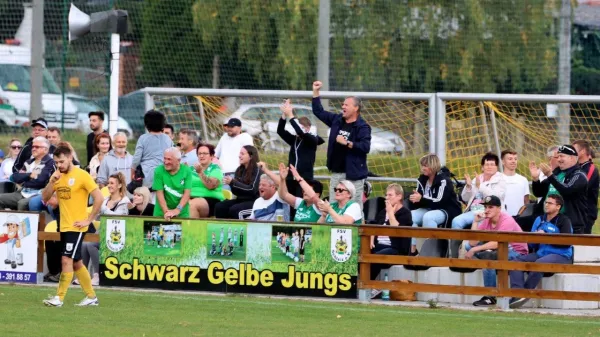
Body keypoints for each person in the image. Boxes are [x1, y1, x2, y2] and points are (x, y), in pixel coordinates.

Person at [41, 143, 103, 307]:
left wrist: (88, 220)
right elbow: (45, 198)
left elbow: (99, 197)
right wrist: (51, 182)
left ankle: (59, 298)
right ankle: (91, 297)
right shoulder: (57, 176)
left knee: (66, 259)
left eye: (61, 162)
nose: (59, 165)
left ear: (69, 158)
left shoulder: (82, 175)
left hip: (77, 226)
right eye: (56, 162)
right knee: (76, 262)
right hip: (64, 225)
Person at [312, 81, 371, 208]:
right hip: (337, 173)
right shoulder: (337, 120)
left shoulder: (362, 126)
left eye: (346, 105)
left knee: (354, 207)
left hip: (353, 175)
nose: (343, 106)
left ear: (356, 108)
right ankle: (334, 227)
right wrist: (316, 91)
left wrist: (347, 143)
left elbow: (365, 147)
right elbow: (318, 111)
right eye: (343, 104)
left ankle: (358, 228)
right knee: (334, 205)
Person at [509, 194, 573, 309]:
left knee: (539, 263)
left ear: (558, 207)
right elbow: (532, 244)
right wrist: (534, 238)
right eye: (546, 202)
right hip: (541, 253)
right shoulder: (539, 219)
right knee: (515, 261)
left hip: (561, 255)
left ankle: (525, 293)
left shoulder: (564, 220)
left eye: (550, 203)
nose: (546, 205)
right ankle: (517, 293)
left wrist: (546, 237)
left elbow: (566, 243)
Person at [467, 195, 528, 307]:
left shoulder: (507, 220)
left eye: (491, 207)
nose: (487, 210)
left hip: (516, 252)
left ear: (499, 208)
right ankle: (488, 257)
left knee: (487, 257)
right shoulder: (487, 220)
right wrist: (475, 222)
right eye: (485, 207)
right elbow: (472, 243)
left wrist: (476, 249)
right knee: (468, 247)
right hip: (499, 250)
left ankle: (490, 296)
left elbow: (498, 242)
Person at [77, 172, 130, 287]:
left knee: (91, 245)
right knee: (85, 243)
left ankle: (97, 274)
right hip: (102, 230)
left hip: (115, 235)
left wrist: (103, 208)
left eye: (112, 183)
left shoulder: (124, 202)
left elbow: (117, 217)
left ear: (119, 185)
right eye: (108, 183)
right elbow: (94, 212)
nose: (109, 185)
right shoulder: (105, 200)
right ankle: (83, 275)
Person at [408, 154, 462, 255]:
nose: (423, 168)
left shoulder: (444, 181)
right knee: (411, 215)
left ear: (433, 166)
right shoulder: (421, 180)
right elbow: (421, 199)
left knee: (429, 217)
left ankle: (433, 250)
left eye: (425, 166)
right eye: (422, 165)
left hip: (446, 209)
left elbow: (439, 201)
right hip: (429, 207)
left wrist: (421, 199)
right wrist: (415, 200)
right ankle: (412, 250)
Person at [531, 145, 588, 234]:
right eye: (558, 156)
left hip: (571, 224)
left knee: (565, 246)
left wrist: (550, 175)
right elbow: (539, 192)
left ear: (572, 158)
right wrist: (535, 179)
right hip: (550, 221)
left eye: (562, 156)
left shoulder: (579, 175)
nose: (558, 159)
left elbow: (567, 190)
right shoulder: (557, 173)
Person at [369, 184, 412, 299]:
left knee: (375, 257)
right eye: (386, 195)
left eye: (390, 195)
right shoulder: (383, 212)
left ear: (399, 196)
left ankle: (369, 286)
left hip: (396, 248)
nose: (387, 198)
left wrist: (391, 214)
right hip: (379, 245)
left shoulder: (405, 213)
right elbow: (374, 225)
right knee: (360, 253)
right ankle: (361, 285)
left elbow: (398, 231)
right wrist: (371, 237)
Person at [277, 99, 324, 197]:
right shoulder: (294, 139)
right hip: (290, 178)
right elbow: (280, 131)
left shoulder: (312, 140)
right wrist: (284, 114)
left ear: (308, 128)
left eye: (302, 127)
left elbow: (301, 132)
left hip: (304, 178)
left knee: (299, 203)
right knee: (289, 204)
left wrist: (291, 115)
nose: (298, 131)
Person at [452, 152, 506, 230]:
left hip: (490, 212)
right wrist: (468, 187)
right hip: (475, 210)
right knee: (456, 221)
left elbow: (496, 197)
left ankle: (470, 242)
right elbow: (465, 198)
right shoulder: (477, 179)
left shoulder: (501, 179)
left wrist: (480, 186)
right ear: (482, 167)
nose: (489, 167)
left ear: (496, 167)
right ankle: (459, 242)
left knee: (479, 226)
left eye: (492, 164)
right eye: (487, 165)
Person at [0, 137, 55, 210]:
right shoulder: (29, 162)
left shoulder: (50, 163)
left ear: (45, 149)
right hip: (23, 192)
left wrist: (24, 180)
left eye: (37, 147)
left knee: (22, 203)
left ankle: (21, 222)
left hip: (38, 194)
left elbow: (40, 181)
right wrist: (29, 175)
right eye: (33, 146)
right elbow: (14, 177)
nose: (33, 149)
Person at [214, 145, 261, 219]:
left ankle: (239, 230)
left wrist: (233, 183)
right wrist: (231, 184)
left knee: (235, 210)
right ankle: (223, 229)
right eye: (240, 153)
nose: (239, 156)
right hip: (241, 200)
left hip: (254, 201)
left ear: (251, 156)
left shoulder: (257, 170)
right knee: (219, 206)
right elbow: (236, 192)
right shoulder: (239, 170)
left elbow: (252, 189)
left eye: (242, 154)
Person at [132, 110, 174, 189]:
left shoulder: (143, 138)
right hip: (164, 174)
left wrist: (132, 172)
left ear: (147, 124)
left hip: (146, 176)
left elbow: (136, 159)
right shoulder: (167, 139)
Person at [152, 147, 192, 220]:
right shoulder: (158, 171)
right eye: (165, 158)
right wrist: (167, 213)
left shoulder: (187, 171)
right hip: (161, 214)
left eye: (169, 159)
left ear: (178, 161)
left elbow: (187, 193)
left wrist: (177, 210)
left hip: (182, 214)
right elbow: (159, 193)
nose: (166, 162)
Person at [189, 143, 224, 218]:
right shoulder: (190, 169)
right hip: (190, 198)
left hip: (210, 200)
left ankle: (194, 229)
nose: (201, 156)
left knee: (191, 205)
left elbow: (211, 185)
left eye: (205, 153)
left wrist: (200, 172)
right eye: (199, 153)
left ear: (211, 156)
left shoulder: (215, 169)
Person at [572, 140, 599, 234]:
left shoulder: (591, 169)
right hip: (576, 212)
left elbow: (580, 186)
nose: (572, 152)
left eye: (574, 149)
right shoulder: (577, 167)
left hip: (586, 214)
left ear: (583, 151)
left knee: (582, 244)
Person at [501, 149, 530, 216]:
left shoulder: (523, 180)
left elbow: (526, 202)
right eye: (510, 159)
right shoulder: (497, 179)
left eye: (515, 159)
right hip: (504, 219)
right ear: (503, 161)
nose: (513, 161)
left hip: (520, 218)